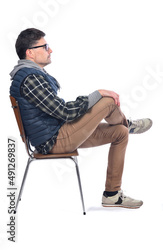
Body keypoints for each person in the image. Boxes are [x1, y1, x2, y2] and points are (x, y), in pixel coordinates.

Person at [10, 28, 152, 209]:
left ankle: (112, 195)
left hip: (58, 132)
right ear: (29, 52)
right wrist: (97, 94)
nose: (50, 50)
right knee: (108, 101)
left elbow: (59, 112)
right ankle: (128, 123)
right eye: (45, 47)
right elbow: (63, 112)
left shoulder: (31, 74)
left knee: (120, 132)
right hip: (53, 140)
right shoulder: (30, 79)